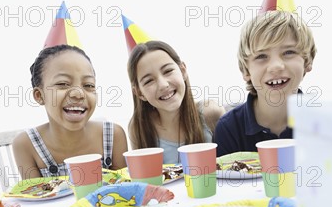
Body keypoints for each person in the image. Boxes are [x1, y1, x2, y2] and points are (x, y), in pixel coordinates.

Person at [13, 45, 128, 180]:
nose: (78, 94)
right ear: (39, 95)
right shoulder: (26, 145)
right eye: (63, 83)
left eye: (88, 85)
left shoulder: (113, 135)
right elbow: (35, 198)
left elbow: (124, 190)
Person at [215, 10, 317, 156]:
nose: (276, 66)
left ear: (307, 61)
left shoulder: (325, 123)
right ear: (246, 71)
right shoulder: (229, 129)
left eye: (288, 52)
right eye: (262, 56)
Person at [127, 40, 225, 164]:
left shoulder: (211, 113)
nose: (163, 85)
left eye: (167, 71)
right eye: (148, 81)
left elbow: (231, 167)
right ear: (139, 93)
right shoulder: (139, 128)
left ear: (183, 70)